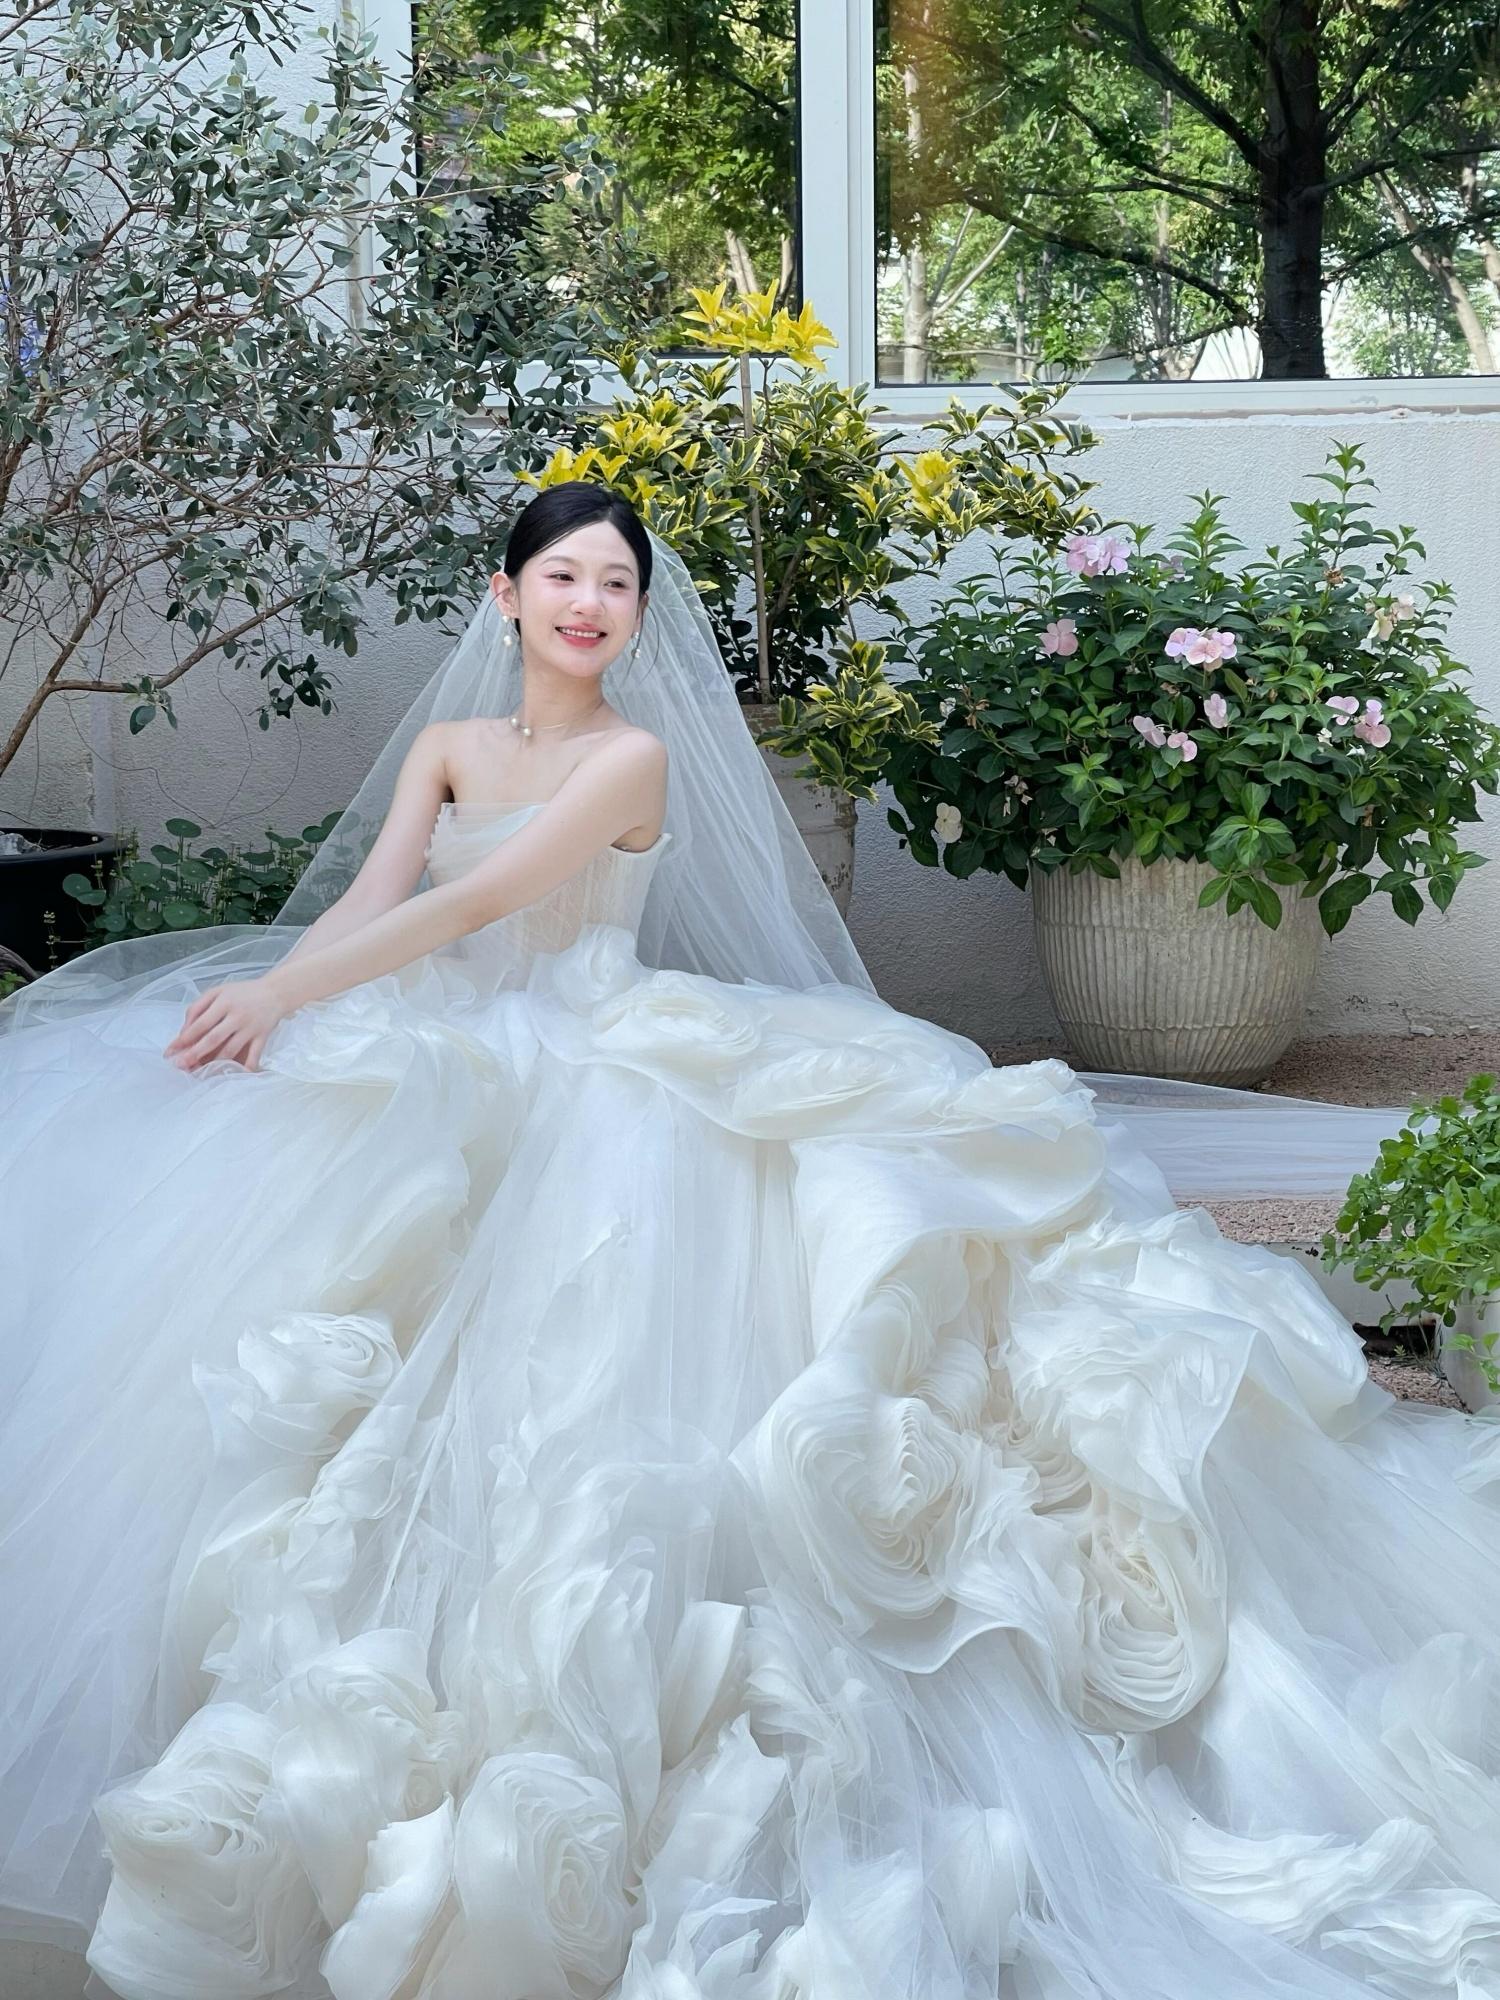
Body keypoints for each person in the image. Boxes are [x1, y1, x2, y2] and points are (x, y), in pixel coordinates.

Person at [1, 480, 1497, 2000]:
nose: (589, 605)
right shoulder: (449, 748)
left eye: (617, 584)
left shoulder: (629, 756)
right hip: (448, 1042)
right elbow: (382, 899)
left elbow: (489, 900)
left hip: (592, 1055)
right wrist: (277, 1003)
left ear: (639, 616)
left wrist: (287, 993)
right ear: (506, 595)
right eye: (562, 577)